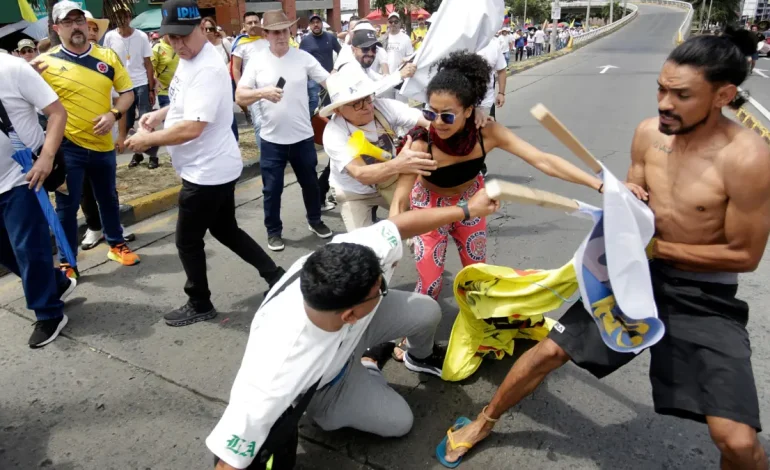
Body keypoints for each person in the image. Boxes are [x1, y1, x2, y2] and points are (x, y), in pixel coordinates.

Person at [440, 30, 770, 470]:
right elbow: (635, 195)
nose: (664, 103)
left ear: (723, 95)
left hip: (701, 295)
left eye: (682, 95)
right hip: (633, 276)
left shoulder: (747, 158)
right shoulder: (648, 134)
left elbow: (743, 256)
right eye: (661, 88)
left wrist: (654, 248)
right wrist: (623, 203)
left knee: (738, 443)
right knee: (550, 350)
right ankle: (484, 420)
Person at [206, 184, 502, 470]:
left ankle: (415, 358)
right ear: (349, 314)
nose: (386, 282)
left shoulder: (357, 254)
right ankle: (364, 371)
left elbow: (399, 226)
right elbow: (228, 459)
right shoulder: (278, 366)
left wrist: (466, 209)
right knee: (399, 422)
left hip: (352, 333)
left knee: (425, 310)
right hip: (327, 384)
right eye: (381, 288)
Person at [388, 52, 644, 358]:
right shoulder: (420, 142)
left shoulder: (488, 132)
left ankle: (481, 329)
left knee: (478, 278)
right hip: (430, 208)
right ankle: (413, 341)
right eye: (431, 112)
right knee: (429, 283)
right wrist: (392, 243)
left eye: (448, 115)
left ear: (470, 110)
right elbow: (401, 199)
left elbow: (543, 160)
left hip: (474, 203)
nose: (437, 122)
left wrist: (603, 185)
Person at [125, 0, 284, 327]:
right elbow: (184, 104)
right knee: (226, 230)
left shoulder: (208, 67)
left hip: (206, 173)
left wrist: (147, 141)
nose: (179, 44)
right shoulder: (189, 58)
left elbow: (192, 128)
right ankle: (276, 275)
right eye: (171, 38)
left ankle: (200, 302)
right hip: (212, 167)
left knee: (186, 240)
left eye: (185, 36)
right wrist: (159, 114)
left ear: (202, 27)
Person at [38, 1, 140, 279]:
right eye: (68, 23)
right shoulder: (45, 63)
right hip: (66, 148)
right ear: (57, 29)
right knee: (67, 207)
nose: (75, 27)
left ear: (87, 24)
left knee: (108, 197)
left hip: (102, 146)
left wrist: (114, 113)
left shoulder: (107, 56)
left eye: (79, 21)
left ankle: (116, 244)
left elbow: (127, 93)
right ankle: (68, 262)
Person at [235, 9, 332, 252]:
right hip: (272, 140)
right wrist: (262, 92)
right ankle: (274, 231)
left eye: (284, 30)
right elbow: (240, 96)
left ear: (290, 31)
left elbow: (328, 80)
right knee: (272, 189)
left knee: (310, 183)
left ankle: (315, 220)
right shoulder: (257, 62)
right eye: (275, 32)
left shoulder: (302, 58)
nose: (280, 36)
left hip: (302, 137)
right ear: (265, 34)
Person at [0, 53, 76, 348]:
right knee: (7, 250)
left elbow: (57, 113)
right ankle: (57, 283)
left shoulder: (12, 68)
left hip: (22, 176)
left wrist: (46, 158)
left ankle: (49, 313)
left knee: (28, 248)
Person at [321, 66, 435, 232]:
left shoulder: (384, 106)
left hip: (390, 180)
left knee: (421, 228)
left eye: (367, 98)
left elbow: (424, 120)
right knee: (363, 250)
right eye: (356, 104)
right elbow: (361, 174)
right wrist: (399, 164)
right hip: (354, 192)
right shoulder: (333, 133)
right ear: (338, 110)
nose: (367, 107)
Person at [79, 9, 135, 251]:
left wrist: (121, 135)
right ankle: (94, 227)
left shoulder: (107, 60)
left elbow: (121, 99)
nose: (90, 32)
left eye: (93, 29)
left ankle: (115, 228)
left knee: (107, 188)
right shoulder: (58, 60)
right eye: (86, 27)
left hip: (103, 139)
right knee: (83, 189)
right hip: (74, 140)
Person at [104, 9, 158, 169]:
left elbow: (148, 63)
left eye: (125, 16)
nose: (122, 19)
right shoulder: (110, 36)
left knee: (146, 121)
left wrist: (150, 88)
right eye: (118, 16)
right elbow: (107, 61)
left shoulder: (141, 36)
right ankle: (138, 153)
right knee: (126, 124)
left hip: (140, 82)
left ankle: (152, 156)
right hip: (121, 86)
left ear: (129, 17)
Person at [299, 13, 342, 212]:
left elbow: (341, 54)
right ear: (310, 25)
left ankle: (328, 191)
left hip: (330, 83)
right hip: (312, 84)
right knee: (317, 114)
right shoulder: (305, 42)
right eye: (313, 22)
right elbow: (300, 64)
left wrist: (335, 71)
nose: (316, 24)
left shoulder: (330, 38)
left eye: (318, 21)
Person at [231, 11, 267, 147]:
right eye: (249, 23)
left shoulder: (268, 38)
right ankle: (265, 157)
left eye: (256, 22)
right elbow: (235, 68)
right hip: (252, 90)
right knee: (258, 123)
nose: (253, 25)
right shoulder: (241, 43)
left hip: (271, 86)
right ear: (244, 26)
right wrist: (240, 88)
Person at [200, 17, 238, 141]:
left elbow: (233, 59)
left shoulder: (224, 43)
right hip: (207, 84)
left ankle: (234, 139)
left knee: (227, 111)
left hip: (225, 82)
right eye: (205, 29)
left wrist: (227, 68)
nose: (208, 31)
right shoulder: (201, 46)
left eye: (211, 28)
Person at [383, 12, 413, 102]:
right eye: (391, 21)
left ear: (400, 23)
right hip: (386, 78)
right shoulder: (383, 38)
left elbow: (410, 58)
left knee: (401, 107)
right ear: (388, 23)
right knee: (388, 107)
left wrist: (406, 61)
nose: (393, 24)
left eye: (396, 22)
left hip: (401, 78)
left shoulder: (405, 38)